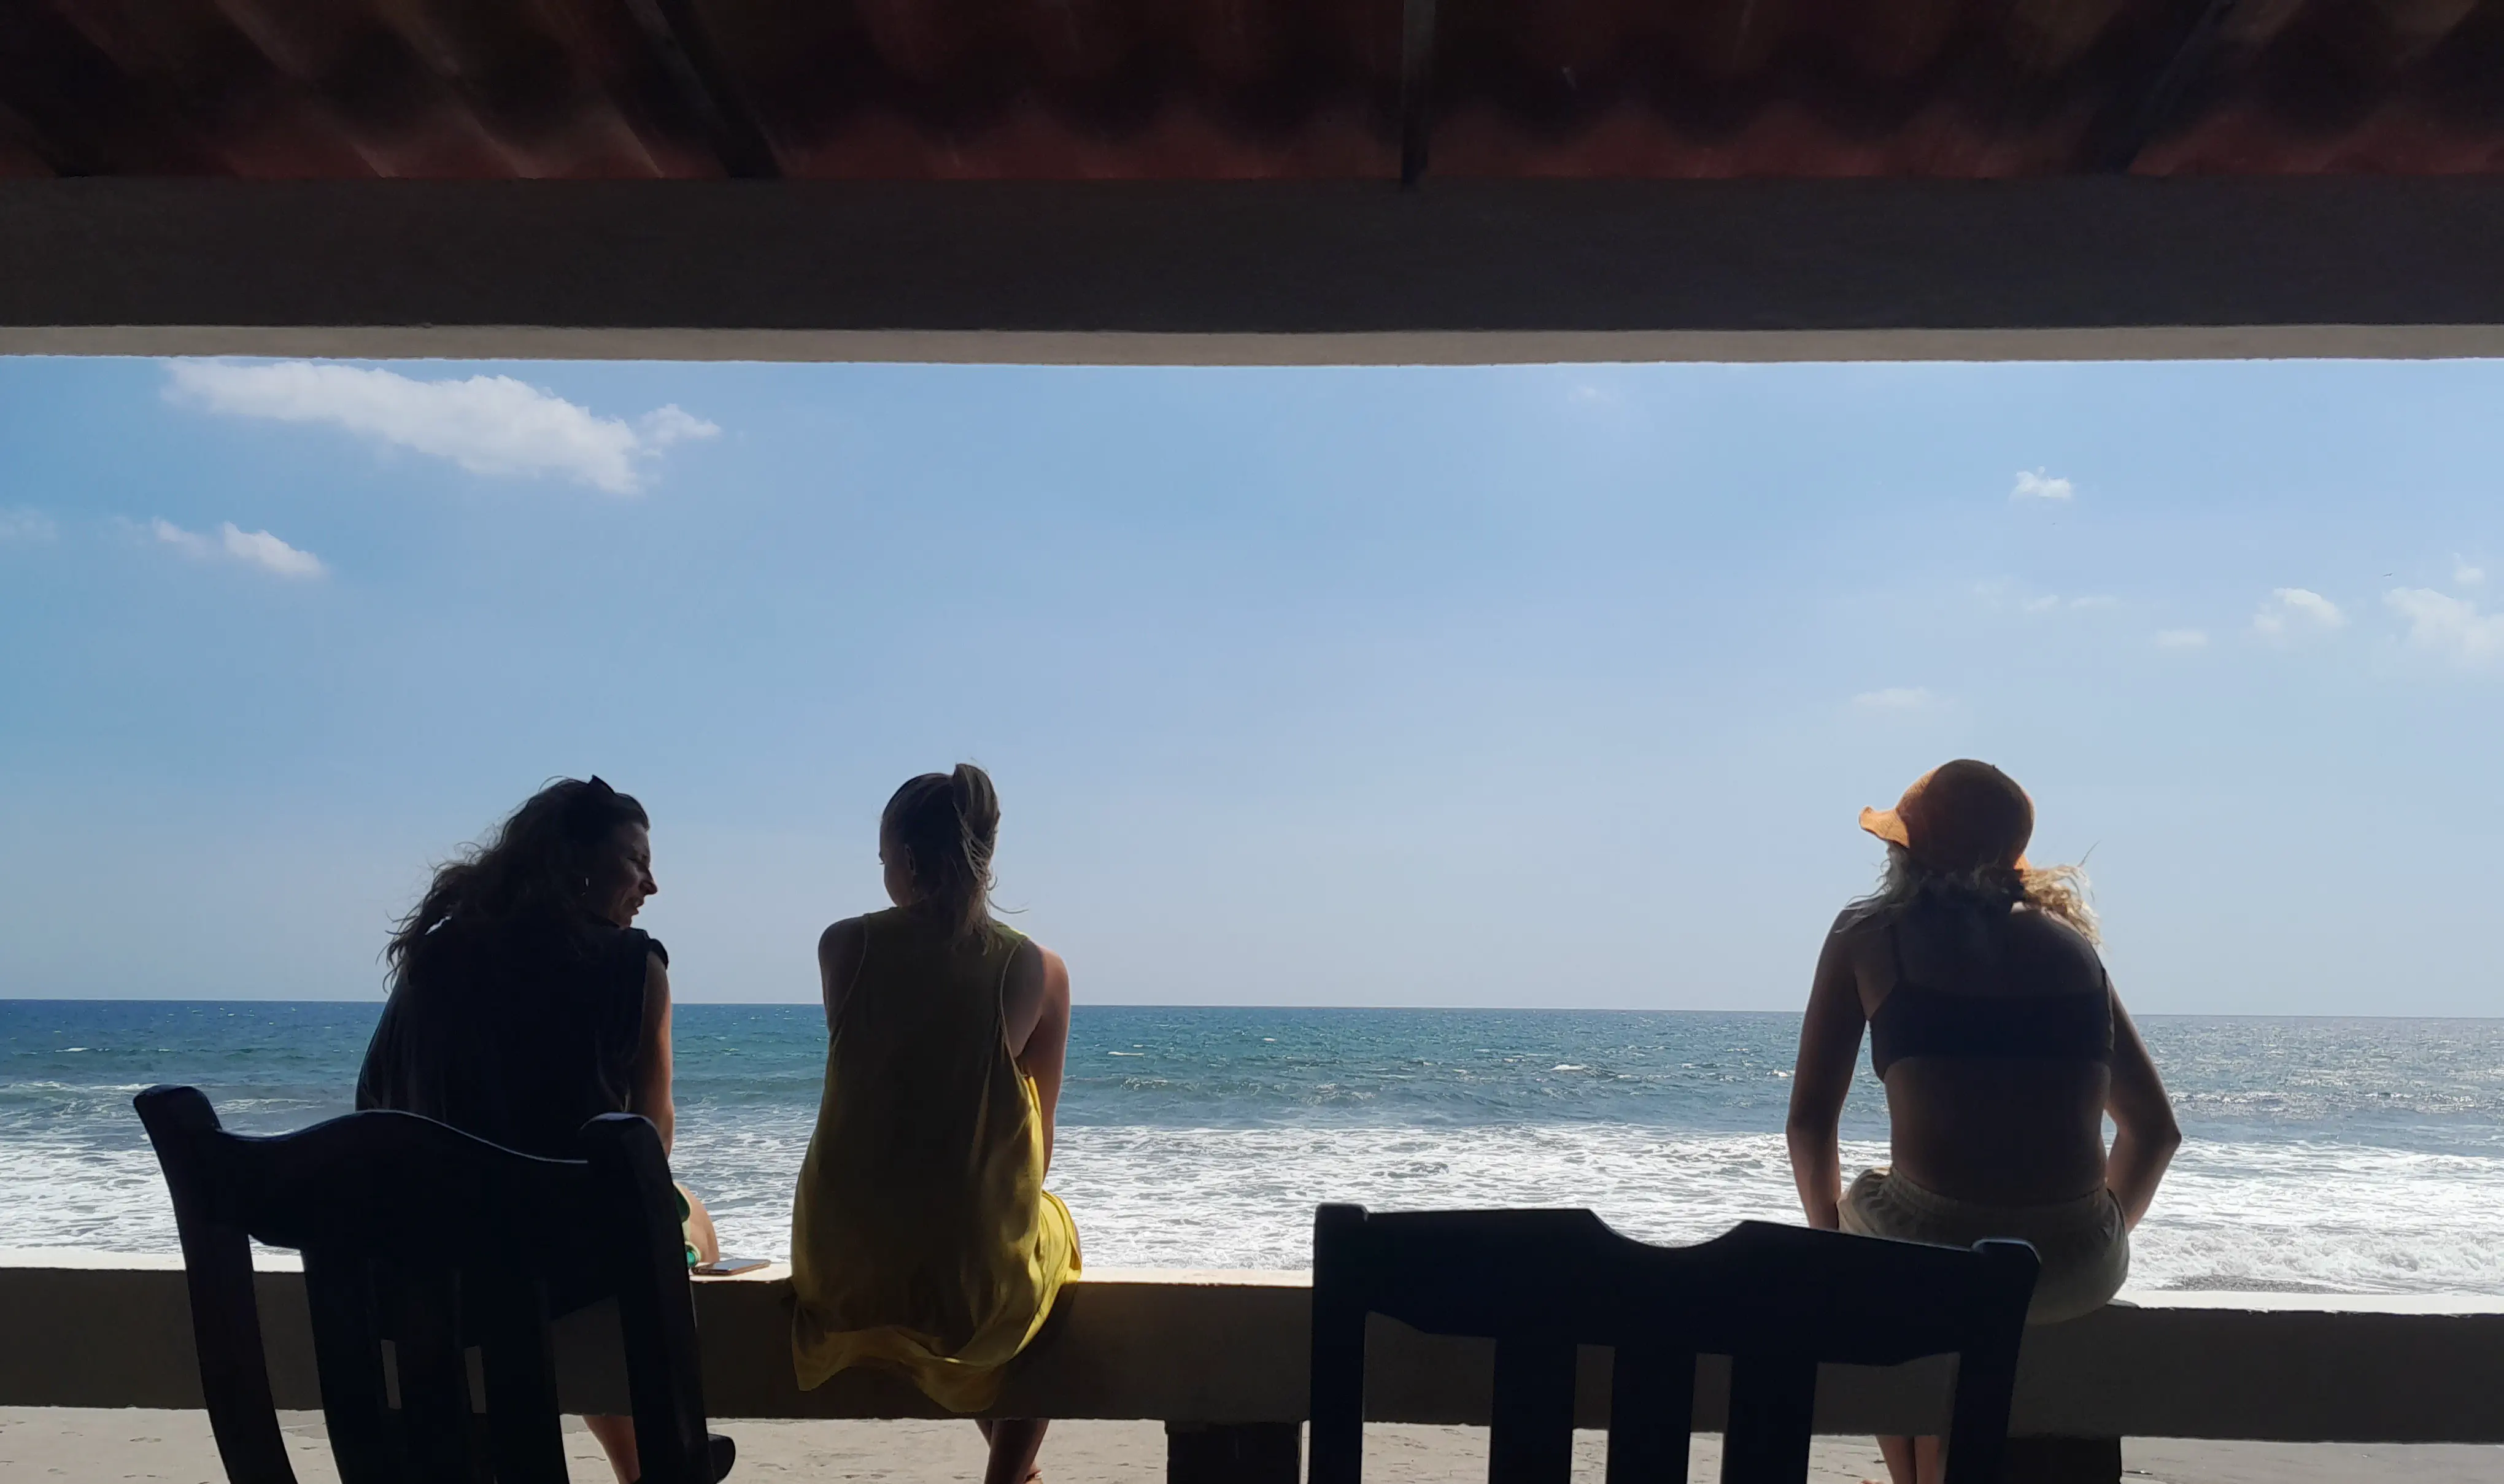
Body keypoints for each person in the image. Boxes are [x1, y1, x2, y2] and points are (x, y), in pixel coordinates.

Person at [1786, 760, 2179, 1484]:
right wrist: (2094, 1229)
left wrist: (1827, 1244)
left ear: (1906, 851)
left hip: (1938, 1261)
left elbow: (1811, 1123)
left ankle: (1916, 1475)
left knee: (1865, 1223)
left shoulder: (1869, 932)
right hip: (2075, 1265)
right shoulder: (2074, 948)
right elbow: (2156, 1132)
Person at [357, 776, 716, 1484]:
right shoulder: (632, 967)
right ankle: (649, 1463)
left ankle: (626, 1462)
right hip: (568, 1266)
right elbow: (651, 1145)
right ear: (574, 863)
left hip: (443, 1274)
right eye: (637, 862)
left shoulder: (435, 958)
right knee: (690, 1216)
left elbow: (375, 1106)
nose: (652, 886)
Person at [789, 764, 1078, 1484]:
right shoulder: (1037, 969)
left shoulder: (843, 948)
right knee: (1052, 1244)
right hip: (963, 1283)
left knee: (936, 1249)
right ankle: (1011, 1474)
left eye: (884, 856)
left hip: (840, 1266)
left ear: (908, 861)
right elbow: (1035, 1153)